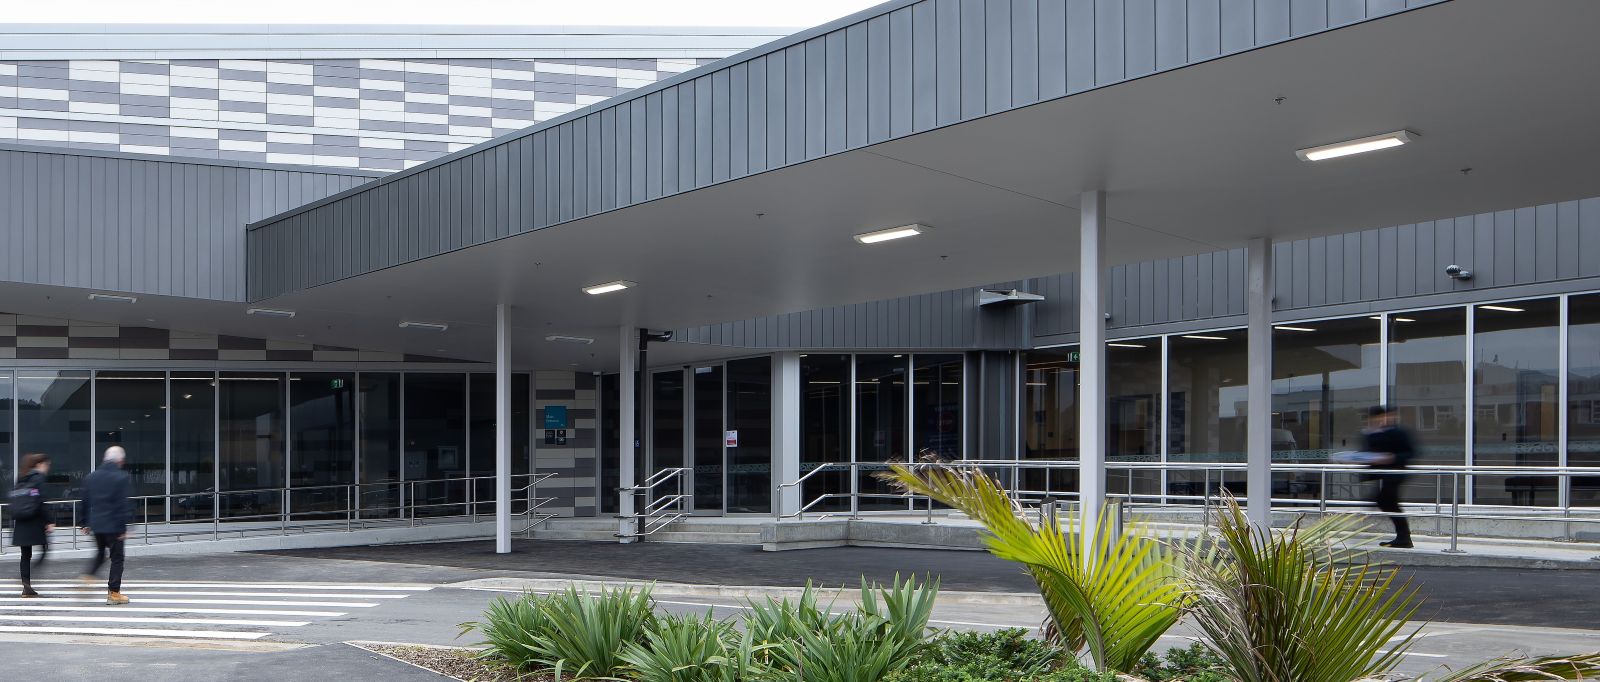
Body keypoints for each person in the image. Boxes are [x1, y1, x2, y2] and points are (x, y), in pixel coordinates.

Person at [80, 446, 134, 605]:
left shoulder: (91, 477)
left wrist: (84, 522)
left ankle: (88, 576)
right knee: (117, 558)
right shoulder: (121, 477)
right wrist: (124, 527)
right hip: (114, 525)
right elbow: (123, 504)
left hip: (96, 524)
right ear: (120, 460)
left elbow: (85, 501)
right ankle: (114, 593)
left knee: (100, 553)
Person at [1363, 405, 1416, 548]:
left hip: (1395, 474)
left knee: (1386, 501)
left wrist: (1392, 458)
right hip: (1385, 475)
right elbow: (1373, 450)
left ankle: (1404, 537)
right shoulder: (1375, 432)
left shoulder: (1397, 432)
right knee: (1386, 502)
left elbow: (1409, 452)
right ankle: (1403, 537)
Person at [10, 454, 55, 597]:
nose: (47, 468)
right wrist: (49, 521)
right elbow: (41, 501)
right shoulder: (38, 478)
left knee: (25, 555)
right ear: (39, 464)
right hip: (34, 522)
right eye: (47, 465)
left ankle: (26, 586)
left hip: (20, 522)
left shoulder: (21, 478)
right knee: (45, 549)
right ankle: (29, 579)